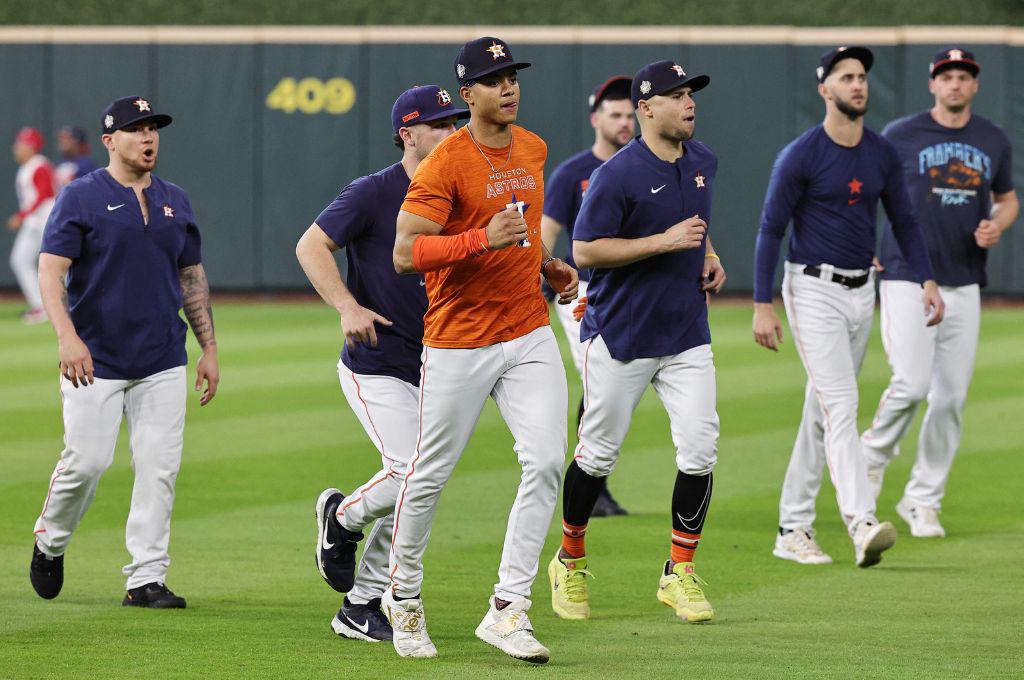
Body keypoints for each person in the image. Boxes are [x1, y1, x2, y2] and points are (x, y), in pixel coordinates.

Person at [384, 36, 578, 663]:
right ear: (468, 94)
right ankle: (403, 598)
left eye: (513, 75)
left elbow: (518, 228)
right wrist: (479, 240)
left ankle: (509, 609)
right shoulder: (446, 163)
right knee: (430, 473)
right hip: (460, 339)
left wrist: (547, 264)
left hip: (527, 330)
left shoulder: (534, 147)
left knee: (548, 460)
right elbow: (405, 252)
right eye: (495, 79)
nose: (510, 87)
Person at [547, 59, 726, 625]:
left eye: (692, 93)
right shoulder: (616, 174)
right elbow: (587, 251)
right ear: (647, 108)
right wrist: (664, 242)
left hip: (687, 334)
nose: (690, 103)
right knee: (596, 454)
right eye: (677, 96)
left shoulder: (702, 160)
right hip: (622, 335)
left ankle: (680, 573)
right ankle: (569, 560)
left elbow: (695, 222)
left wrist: (711, 256)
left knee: (700, 449)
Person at [752, 47, 944, 568]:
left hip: (864, 291)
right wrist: (761, 303)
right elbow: (771, 229)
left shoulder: (880, 153)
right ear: (825, 89)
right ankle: (861, 521)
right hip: (812, 288)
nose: (858, 85)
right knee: (841, 404)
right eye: (846, 77)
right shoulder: (802, 154)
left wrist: (926, 277)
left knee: (821, 412)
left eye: (862, 77)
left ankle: (792, 526)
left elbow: (904, 222)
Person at [29, 96, 219, 608]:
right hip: (95, 358)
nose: (149, 136)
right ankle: (50, 540)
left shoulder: (175, 198)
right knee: (86, 463)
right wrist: (67, 338)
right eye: (136, 129)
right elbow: (51, 271)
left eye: (154, 127)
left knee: (159, 469)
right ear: (111, 141)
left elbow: (191, 278)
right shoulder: (80, 197)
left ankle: (146, 579)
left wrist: (209, 348)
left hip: (161, 357)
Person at [296, 84, 469, 643]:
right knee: (413, 472)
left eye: (456, 121)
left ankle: (360, 603)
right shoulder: (374, 192)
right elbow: (310, 246)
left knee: (422, 486)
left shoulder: (461, 191)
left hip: (440, 366)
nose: (452, 130)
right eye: (440, 123)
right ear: (407, 133)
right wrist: (346, 306)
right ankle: (342, 519)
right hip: (377, 363)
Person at [861, 48, 1017, 537]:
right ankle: (871, 456)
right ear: (933, 84)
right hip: (907, 274)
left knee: (950, 398)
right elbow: (866, 191)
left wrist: (998, 224)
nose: (955, 84)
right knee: (911, 383)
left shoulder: (992, 138)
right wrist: (865, 244)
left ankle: (923, 499)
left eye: (963, 77)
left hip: (965, 277)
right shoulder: (902, 135)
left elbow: (1007, 199)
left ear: (975, 85)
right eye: (946, 76)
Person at [541, 74, 634, 518]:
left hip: (634, 290)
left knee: (615, 387)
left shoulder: (645, 164)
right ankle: (591, 485)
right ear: (596, 118)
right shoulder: (574, 173)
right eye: (615, 114)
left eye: (630, 114)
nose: (625, 122)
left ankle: (595, 482)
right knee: (599, 382)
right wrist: (538, 285)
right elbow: (545, 235)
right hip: (586, 291)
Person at [8, 127, 55, 324]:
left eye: (22, 143)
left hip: (46, 220)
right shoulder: (26, 167)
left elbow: (44, 193)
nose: (17, 147)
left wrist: (22, 215)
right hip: (34, 222)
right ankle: (40, 305)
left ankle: (50, 306)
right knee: (20, 260)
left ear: (32, 147)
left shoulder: (39, 165)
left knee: (54, 265)